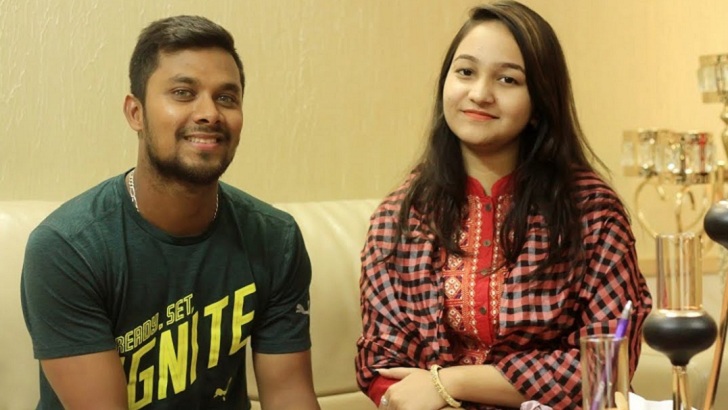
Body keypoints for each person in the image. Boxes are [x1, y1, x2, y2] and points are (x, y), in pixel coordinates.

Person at [355, 1, 652, 409]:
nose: (480, 94)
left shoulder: (592, 213)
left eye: (508, 79)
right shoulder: (399, 217)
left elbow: (606, 365)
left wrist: (449, 382)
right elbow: (382, 365)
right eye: (465, 72)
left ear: (539, 103)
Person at [20, 15, 320, 410]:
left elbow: (288, 395)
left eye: (226, 98)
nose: (209, 113)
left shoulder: (276, 240)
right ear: (136, 113)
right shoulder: (68, 248)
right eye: (183, 93)